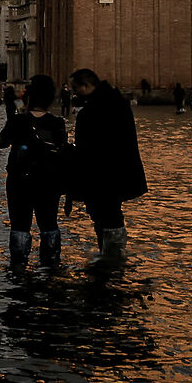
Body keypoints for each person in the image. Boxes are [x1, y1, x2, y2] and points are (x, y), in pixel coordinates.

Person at [65, 69, 146, 259]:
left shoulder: (92, 112)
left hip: (101, 176)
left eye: (77, 88)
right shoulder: (118, 103)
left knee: (105, 215)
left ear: (88, 85)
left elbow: (85, 151)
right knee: (110, 214)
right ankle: (113, 260)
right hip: (119, 173)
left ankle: (110, 261)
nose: (75, 93)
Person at [0, 74, 69, 271]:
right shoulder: (58, 123)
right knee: (49, 223)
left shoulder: (17, 120)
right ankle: (51, 264)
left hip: (20, 181)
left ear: (28, 98)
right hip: (49, 182)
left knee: (20, 223)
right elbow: (63, 151)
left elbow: (1, 143)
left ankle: (19, 266)